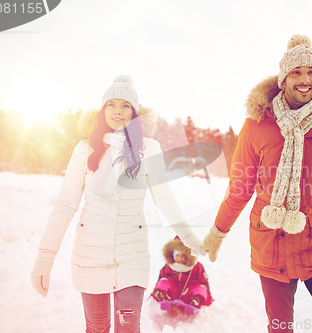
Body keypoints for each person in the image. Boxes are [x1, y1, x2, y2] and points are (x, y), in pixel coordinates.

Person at [202, 35, 312, 333]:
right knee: (279, 328)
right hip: (272, 246)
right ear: (283, 79)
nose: (305, 79)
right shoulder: (257, 125)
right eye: (296, 72)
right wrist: (218, 232)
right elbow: (240, 186)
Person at [30, 75, 205, 333]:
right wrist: (44, 259)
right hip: (89, 255)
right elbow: (65, 204)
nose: (117, 111)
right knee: (97, 327)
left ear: (134, 112)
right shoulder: (84, 149)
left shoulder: (149, 148)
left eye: (125, 105)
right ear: (102, 110)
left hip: (131, 255)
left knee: (127, 328)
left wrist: (189, 238)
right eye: (111, 104)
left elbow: (164, 198)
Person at [151, 236, 213, 309]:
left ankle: (195, 300)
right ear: (173, 256)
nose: (180, 258)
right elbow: (161, 278)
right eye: (177, 255)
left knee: (200, 288)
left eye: (183, 255)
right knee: (164, 281)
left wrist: (207, 294)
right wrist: (157, 288)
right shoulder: (169, 266)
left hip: (189, 292)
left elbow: (204, 282)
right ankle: (162, 295)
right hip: (173, 291)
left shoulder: (196, 266)